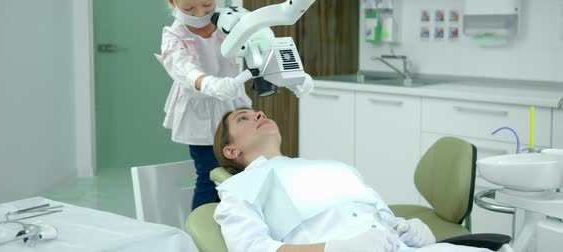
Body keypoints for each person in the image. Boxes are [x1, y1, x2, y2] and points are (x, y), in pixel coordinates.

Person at [212, 108, 494, 252]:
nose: (259, 113)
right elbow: (254, 250)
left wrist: (404, 227)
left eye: (256, 111)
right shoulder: (239, 188)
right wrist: (334, 250)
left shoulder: (332, 167)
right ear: (231, 151)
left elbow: (380, 213)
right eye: (243, 118)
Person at [157, 0, 253, 210]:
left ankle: (240, 230)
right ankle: (200, 239)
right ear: (172, 0)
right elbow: (183, 69)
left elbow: (258, 43)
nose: (200, 13)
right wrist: (209, 84)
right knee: (210, 177)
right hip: (200, 113)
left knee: (244, 174)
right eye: (189, 8)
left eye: (207, 4)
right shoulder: (174, 36)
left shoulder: (230, 21)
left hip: (233, 107)